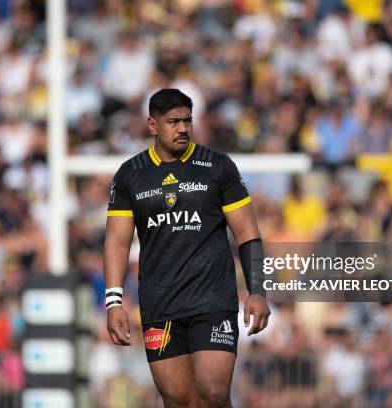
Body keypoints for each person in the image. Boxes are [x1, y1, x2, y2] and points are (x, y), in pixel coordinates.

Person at [104, 88, 270, 407]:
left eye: (187, 120)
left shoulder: (217, 166)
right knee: (178, 399)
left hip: (213, 299)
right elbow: (117, 241)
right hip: (159, 303)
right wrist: (114, 303)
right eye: (173, 121)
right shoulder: (130, 175)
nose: (183, 128)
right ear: (152, 126)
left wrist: (258, 290)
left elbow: (247, 232)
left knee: (213, 392)